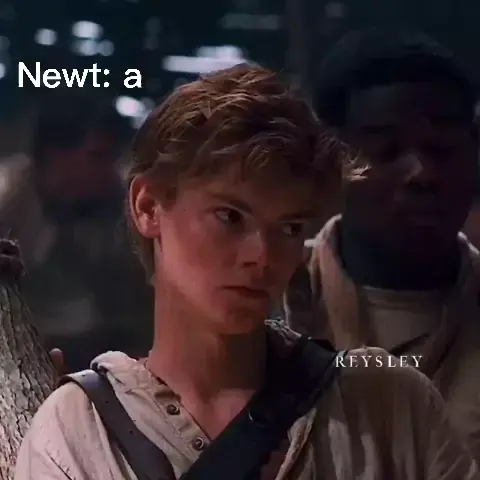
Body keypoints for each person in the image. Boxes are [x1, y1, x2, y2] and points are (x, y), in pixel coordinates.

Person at [15, 64, 479, 479]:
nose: (263, 255)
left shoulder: (388, 406)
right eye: (230, 216)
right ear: (149, 206)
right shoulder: (77, 432)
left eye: (290, 227)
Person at [284, 28, 480, 462]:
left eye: (443, 148)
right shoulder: (268, 303)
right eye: (386, 151)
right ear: (331, 159)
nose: (422, 172)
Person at [0, 91, 153, 371]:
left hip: (92, 343)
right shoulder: (7, 196)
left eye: (112, 157)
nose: (109, 171)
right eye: (98, 157)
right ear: (55, 156)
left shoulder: (120, 201)